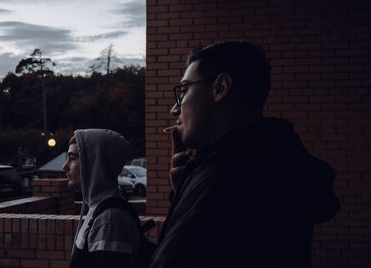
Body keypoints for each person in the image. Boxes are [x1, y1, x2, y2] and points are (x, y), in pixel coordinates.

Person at [149, 41, 341, 268]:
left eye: (184, 90)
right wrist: (185, 191)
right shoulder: (278, 161)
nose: (174, 109)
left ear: (221, 88)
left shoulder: (225, 176)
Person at [63, 129, 140, 268]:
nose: (65, 166)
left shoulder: (109, 220)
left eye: (72, 158)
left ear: (94, 163)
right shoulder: (97, 209)